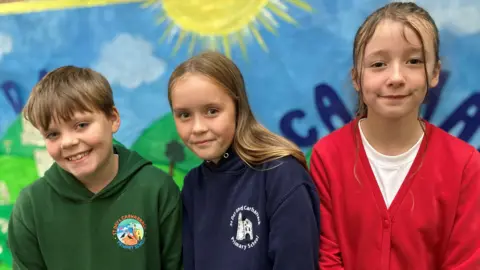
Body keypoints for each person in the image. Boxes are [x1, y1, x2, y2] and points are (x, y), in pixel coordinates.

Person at [309, 2, 480, 269]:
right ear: (357, 78)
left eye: (414, 61)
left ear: (435, 73)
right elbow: (325, 258)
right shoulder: (327, 157)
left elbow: (467, 261)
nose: (396, 77)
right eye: (378, 64)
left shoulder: (466, 164)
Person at [8, 66, 183, 270]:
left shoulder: (158, 190)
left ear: (113, 119)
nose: (68, 142)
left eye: (81, 125)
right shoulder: (31, 205)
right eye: (53, 134)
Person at [168, 51, 320, 270]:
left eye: (212, 111)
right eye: (184, 115)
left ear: (238, 108)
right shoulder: (194, 185)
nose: (198, 128)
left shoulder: (282, 174)